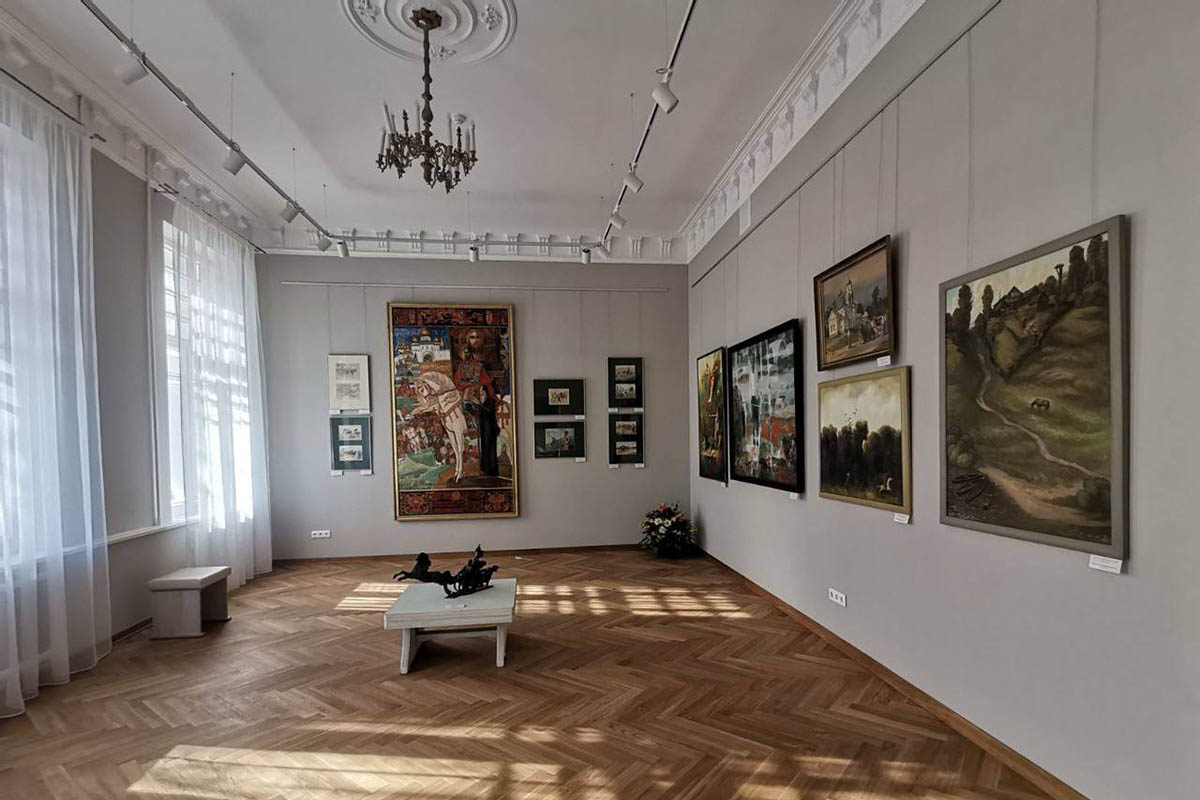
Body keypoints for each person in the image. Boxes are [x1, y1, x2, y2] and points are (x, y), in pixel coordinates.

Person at [455, 332, 500, 479]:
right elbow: (457, 383)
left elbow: (489, 384)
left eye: (478, 337)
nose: (475, 340)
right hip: (468, 400)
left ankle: (489, 468)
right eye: (472, 337)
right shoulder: (462, 366)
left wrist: (485, 392)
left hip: (484, 401)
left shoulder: (485, 363)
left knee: (488, 432)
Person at [408, 371, 467, 483]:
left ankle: (470, 423)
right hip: (454, 389)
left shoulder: (447, 385)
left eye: (422, 390)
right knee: (455, 447)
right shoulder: (439, 394)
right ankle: (458, 470)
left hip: (461, 388)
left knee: (467, 400)